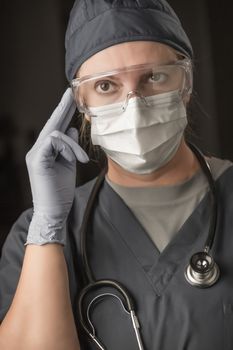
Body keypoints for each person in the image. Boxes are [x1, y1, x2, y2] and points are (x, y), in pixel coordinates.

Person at [0, 1, 233, 349]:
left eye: (154, 77)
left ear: (185, 84)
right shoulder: (36, 236)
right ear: (83, 106)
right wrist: (48, 230)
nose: (134, 104)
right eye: (106, 86)